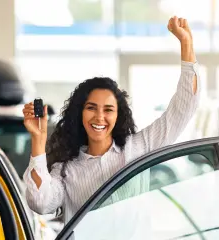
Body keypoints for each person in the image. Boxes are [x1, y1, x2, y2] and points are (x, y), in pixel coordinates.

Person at [22, 16, 200, 227]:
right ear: (80, 113)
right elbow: (39, 203)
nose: (99, 117)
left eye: (108, 110)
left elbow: (184, 108)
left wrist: (187, 44)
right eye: (91, 108)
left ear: (118, 115)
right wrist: (38, 139)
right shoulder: (66, 169)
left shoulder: (137, 148)